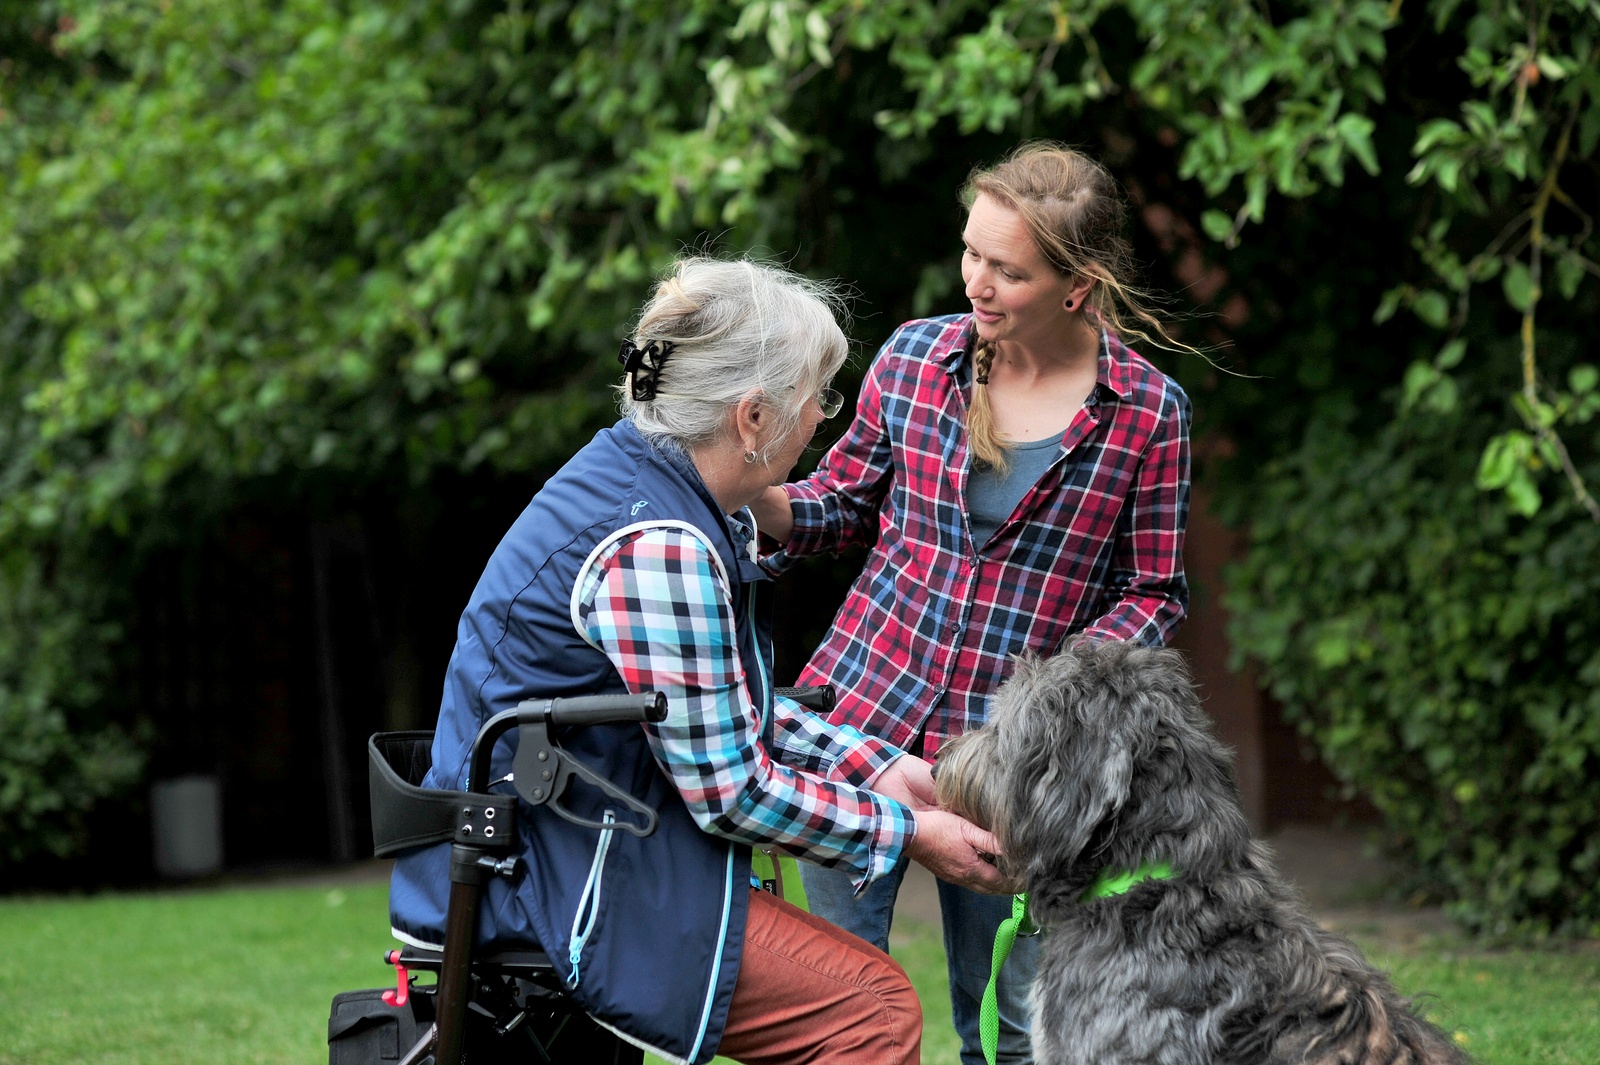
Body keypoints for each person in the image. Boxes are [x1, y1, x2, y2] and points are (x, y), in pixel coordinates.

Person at [388, 256, 1010, 1065]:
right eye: (816, 395)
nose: (823, 415)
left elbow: (718, 705)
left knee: (864, 998)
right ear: (753, 417)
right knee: (871, 1008)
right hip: (541, 883)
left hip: (567, 853)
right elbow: (732, 792)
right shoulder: (661, 546)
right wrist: (910, 832)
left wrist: (880, 768)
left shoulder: (647, 482)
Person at [751, 142, 1194, 1065]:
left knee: (1016, 1021)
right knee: (836, 1003)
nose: (978, 283)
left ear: (1077, 287)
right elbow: (839, 508)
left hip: (1019, 764)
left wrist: (1060, 683)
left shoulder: (1149, 412)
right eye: (971, 254)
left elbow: (1153, 589)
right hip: (859, 726)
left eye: (1008, 269)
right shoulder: (915, 359)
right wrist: (749, 486)